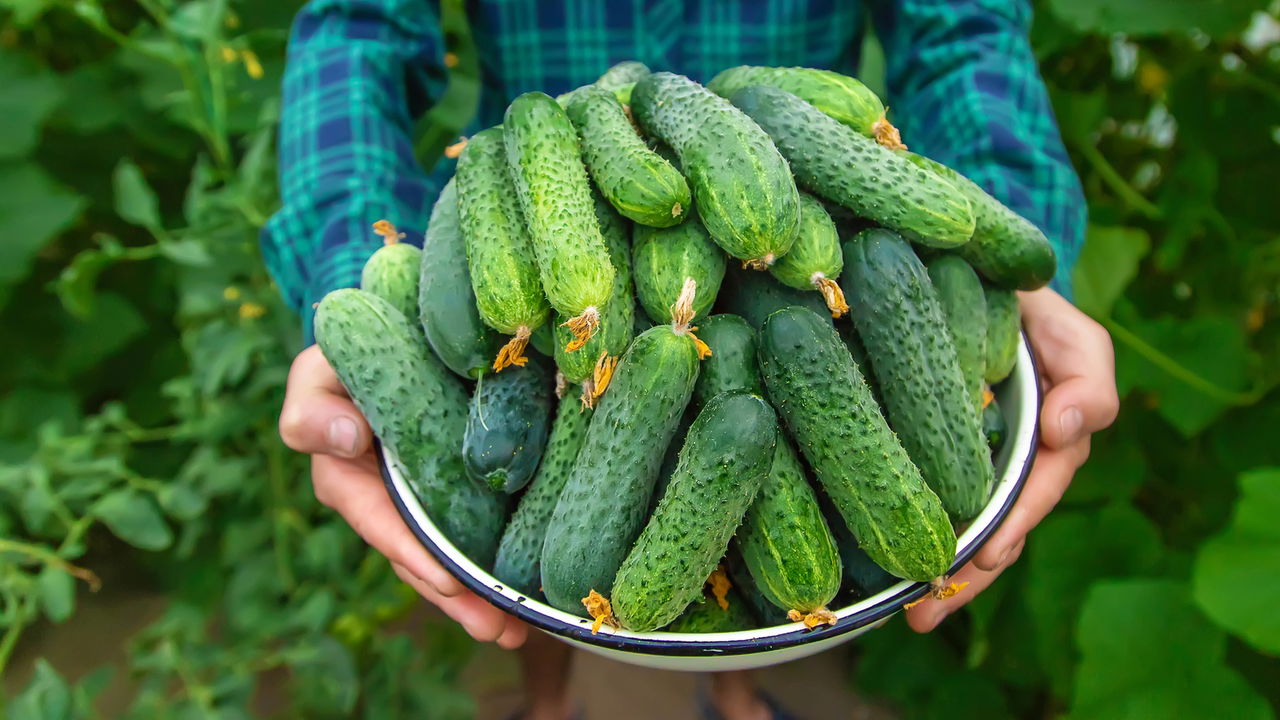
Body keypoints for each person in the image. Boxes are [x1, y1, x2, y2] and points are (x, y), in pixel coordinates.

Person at [271, 2, 1119, 718]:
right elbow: (357, 25)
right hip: (543, 167)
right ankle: (550, 698)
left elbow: (962, 24)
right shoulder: (547, 249)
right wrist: (351, 264)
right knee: (545, 547)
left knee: (743, 445)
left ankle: (733, 689)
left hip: (789, 165)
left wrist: (1004, 222)